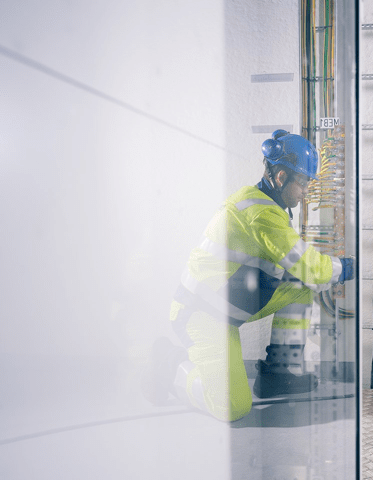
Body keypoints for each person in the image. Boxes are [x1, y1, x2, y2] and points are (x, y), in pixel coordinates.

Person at [142, 130, 354, 422]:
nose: (305, 191)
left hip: (223, 306)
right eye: (303, 182)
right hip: (202, 316)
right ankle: (170, 365)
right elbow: (312, 268)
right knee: (232, 407)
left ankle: (278, 375)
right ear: (281, 177)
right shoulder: (260, 212)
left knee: (301, 286)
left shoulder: (266, 206)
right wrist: (348, 267)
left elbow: (303, 272)